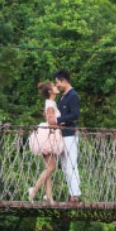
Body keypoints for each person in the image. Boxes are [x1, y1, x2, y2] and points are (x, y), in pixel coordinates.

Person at [28, 81, 64, 205]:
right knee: (51, 167)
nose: (57, 87)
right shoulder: (49, 104)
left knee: (49, 167)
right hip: (48, 136)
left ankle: (49, 196)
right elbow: (50, 122)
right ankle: (34, 189)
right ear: (50, 91)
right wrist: (62, 124)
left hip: (50, 136)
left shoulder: (51, 103)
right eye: (54, 86)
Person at [54, 69, 81, 204]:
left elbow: (75, 115)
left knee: (71, 165)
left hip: (70, 134)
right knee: (65, 166)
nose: (57, 85)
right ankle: (72, 193)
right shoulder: (63, 96)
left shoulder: (73, 96)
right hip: (62, 135)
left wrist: (58, 120)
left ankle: (75, 196)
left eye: (57, 82)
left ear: (64, 80)